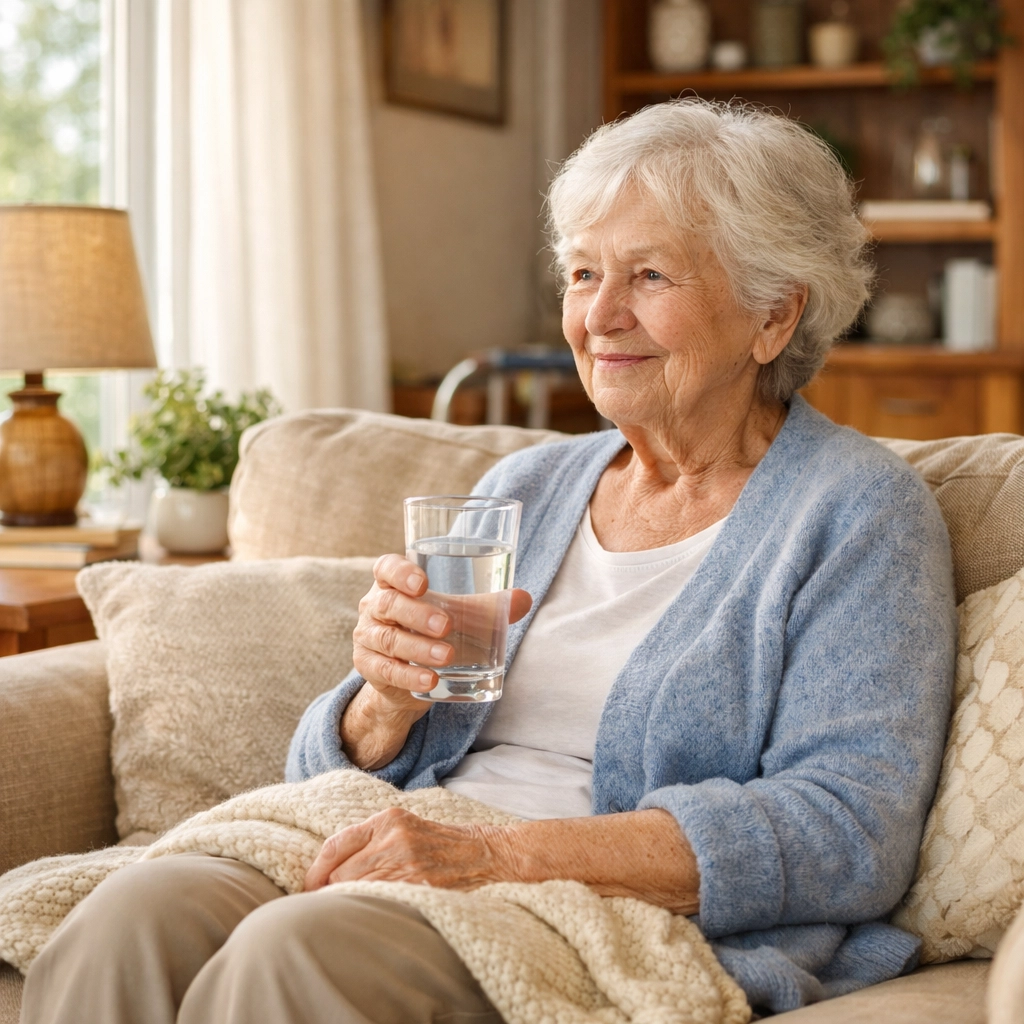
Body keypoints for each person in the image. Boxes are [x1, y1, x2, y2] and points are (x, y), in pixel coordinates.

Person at [22, 98, 956, 1023]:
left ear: (774, 314)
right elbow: (327, 773)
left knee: (292, 953)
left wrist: (502, 858)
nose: (600, 315)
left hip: (600, 907)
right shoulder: (527, 489)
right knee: (128, 922)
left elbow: (850, 829)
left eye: (649, 276)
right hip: (415, 847)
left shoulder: (855, 513)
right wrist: (384, 702)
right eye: (583, 273)